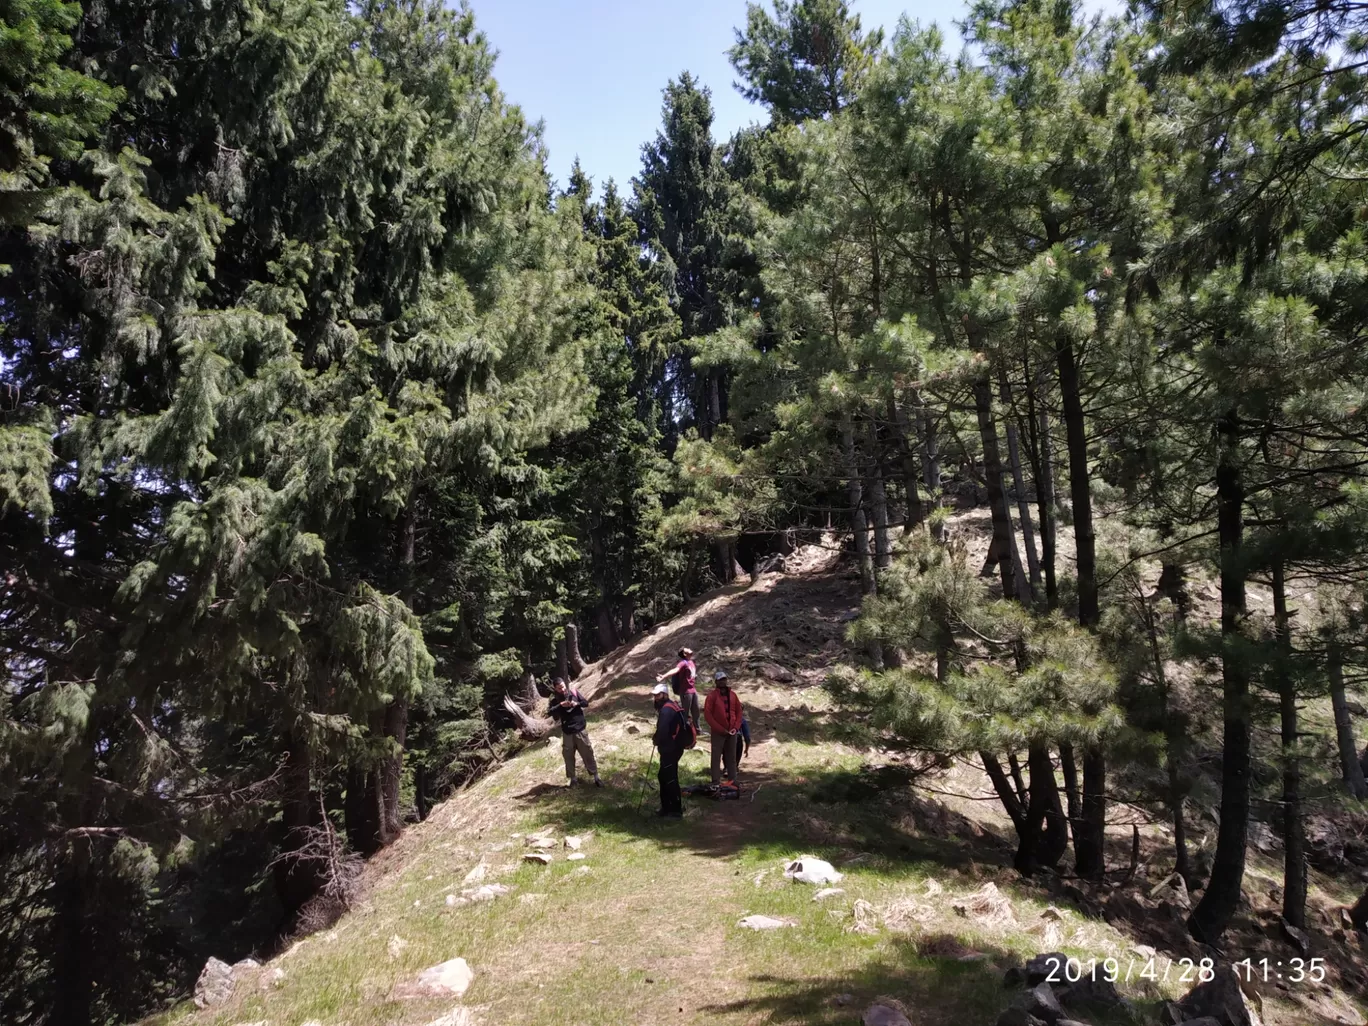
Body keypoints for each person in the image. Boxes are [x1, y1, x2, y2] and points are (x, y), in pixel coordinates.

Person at [548, 677, 601, 787]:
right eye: (559, 688)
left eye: (562, 687)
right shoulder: (554, 701)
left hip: (580, 730)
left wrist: (576, 704)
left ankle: (596, 777)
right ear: (555, 689)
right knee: (568, 757)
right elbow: (552, 714)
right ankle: (573, 779)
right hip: (567, 733)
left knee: (588, 753)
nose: (562, 690)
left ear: (565, 685)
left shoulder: (574, 692)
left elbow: (585, 703)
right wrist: (560, 705)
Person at [651, 683, 687, 817]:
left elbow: (663, 731)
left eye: (658, 695)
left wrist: (656, 739)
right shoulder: (673, 705)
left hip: (670, 750)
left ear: (665, 695)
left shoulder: (666, 710)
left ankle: (675, 810)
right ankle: (667, 808)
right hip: (675, 748)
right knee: (665, 776)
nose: (655, 698)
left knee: (669, 778)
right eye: (654, 695)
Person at [703, 669, 743, 786]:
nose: (722, 682)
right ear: (716, 682)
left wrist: (735, 727)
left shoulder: (733, 695)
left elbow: (739, 712)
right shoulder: (711, 696)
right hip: (718, 732)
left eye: (724, 679)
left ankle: (733, 780)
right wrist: (719, 729)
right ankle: (715, 781)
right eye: (720, 680)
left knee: (731, 757)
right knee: (716, 757)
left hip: (732, 731)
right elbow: (708, 715)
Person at [656, 647, 699, 732]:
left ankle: (697, 729)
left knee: (696, 711)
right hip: (686, 692)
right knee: (685, 712)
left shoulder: (691, 662)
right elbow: (675, 670)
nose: (690, 649)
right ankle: (684, 730)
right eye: (687, 649)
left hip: (693, 690)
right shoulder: (683, 663)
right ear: (684, 654)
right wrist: (664, 676)